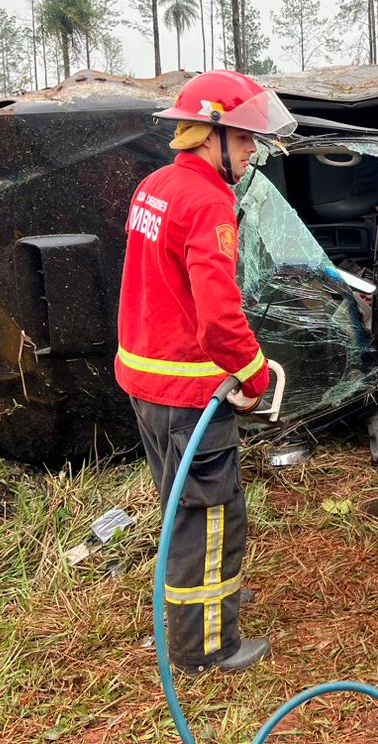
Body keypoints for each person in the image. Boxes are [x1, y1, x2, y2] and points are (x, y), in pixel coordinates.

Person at [114, 69, 297, 674]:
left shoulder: (156, 185)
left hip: (146, 380)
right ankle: (207, 647)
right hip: (189, 390)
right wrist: (255, 374)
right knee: (212, 515)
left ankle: (205, 606)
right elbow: (220, 316)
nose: (251, 153)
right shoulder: (208, 202)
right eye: (244, 140)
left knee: (180, 503)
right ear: (210, 135)